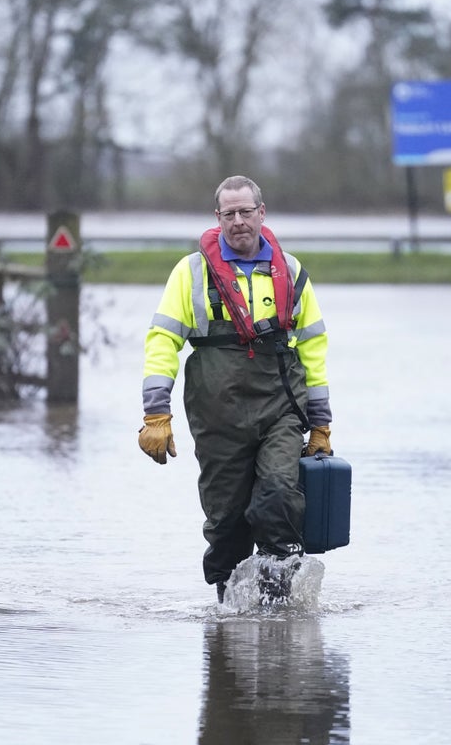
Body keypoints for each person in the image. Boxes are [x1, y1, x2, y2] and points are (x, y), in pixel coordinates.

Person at [138, 175, 333, 603]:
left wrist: (321, 425)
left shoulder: (293, 273)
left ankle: (280, 604)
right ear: (218, 218)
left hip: (280, 408)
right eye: (230, 214)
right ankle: (228, 614)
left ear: (262, 213)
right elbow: (163, 340)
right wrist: (156, 412)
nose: (239, 221)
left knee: (280, 495)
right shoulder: (190, 272)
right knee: (226, 521)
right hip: (217, 415)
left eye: (247, 211)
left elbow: (314, 351)